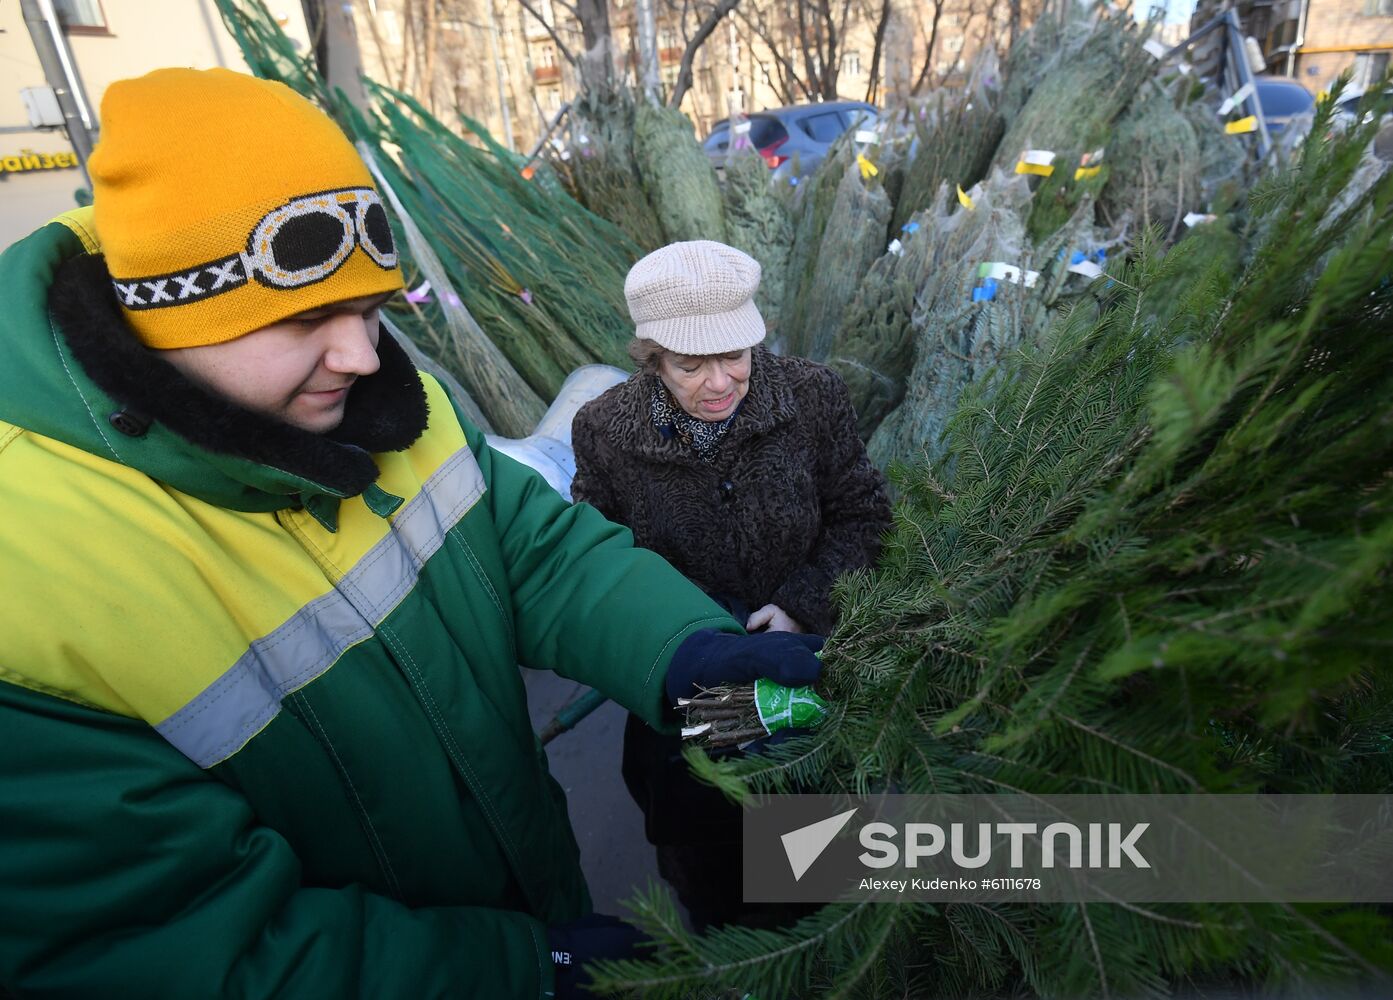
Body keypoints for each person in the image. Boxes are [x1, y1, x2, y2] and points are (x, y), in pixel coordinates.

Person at [0, 69, 825, 999]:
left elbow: (526, 547)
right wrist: (522, 972)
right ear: (164, 309)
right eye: (308, 318)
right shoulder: (28, 583)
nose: (359, 357)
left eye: (371, 311)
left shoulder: (387, 405)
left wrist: (682, 654)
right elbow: (157, 947)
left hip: (527, 893)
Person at [570, 240, 892, 929]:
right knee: (711, 850)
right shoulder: (602, 431)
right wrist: (691, 636)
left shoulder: (811, 398)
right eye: (690, 365)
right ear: (652, 357)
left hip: (798, 672)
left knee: (815, 851)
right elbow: (596, 562)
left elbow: (863, 515)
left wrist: (803, 607)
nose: (719, 381)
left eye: (735, 357)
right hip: (690, 683)